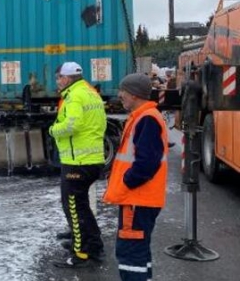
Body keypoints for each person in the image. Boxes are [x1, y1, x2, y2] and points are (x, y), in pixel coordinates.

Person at [103, 73, 168, 281]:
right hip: (139, 200)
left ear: (134, 94)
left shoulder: (147, 119)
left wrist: (126, 182)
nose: (120, 95)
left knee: (131, 254)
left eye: (123, 91)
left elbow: (146, 163)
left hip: (137, 200)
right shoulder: (144, 116)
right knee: (138, 253)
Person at [49, 62, 106, 268]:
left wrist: (53, 130)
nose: (57, 81)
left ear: (67, 78)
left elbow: (73, 124)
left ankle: (81, 254)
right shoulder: (91, 93)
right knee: (81, 206)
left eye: (59, 78)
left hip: (77, 162)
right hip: (90, 160)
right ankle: (93, 245)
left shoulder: (74, 96)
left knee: (74, 207)